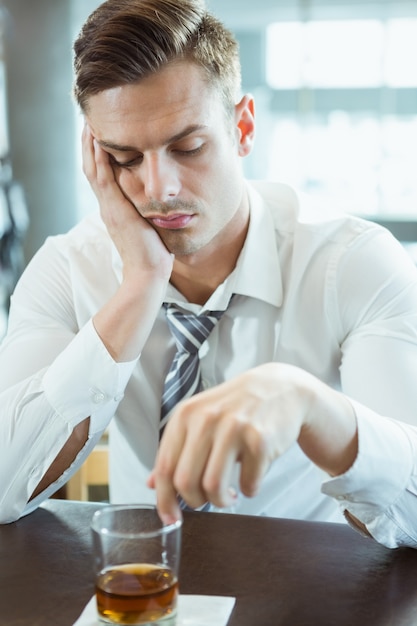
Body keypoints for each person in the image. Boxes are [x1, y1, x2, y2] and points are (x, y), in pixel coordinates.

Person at [1, 0, 417, 549]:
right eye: (125, 159)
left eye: (188, 147)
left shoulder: (353, 262)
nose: (159, 188)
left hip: (310, 590)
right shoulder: (65, 268)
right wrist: (141, 284)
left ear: (243, 127)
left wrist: (311, 405)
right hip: (147, 584)